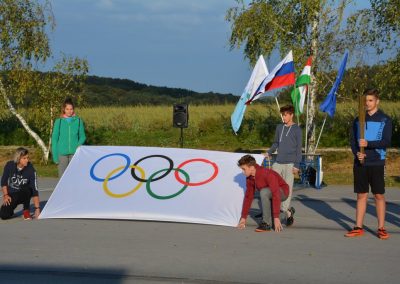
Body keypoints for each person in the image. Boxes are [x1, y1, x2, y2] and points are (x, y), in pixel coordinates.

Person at [346, 88, 392, 239]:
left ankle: (381, 228)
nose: (367, 103)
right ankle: (358, 226)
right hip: (361, 163)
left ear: (377, 101)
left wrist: (368, 144)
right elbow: (353, 141)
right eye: (365, 100)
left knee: (378, 195)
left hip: (377, 162)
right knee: (361, 195)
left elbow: (386, 141)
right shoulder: (358, 119)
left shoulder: (385, 119)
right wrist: (357, 153)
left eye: (370, 100)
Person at [237, 155, 294, 232]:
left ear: (251, 167)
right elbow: (248, 197)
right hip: (269, 193)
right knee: (273, 223)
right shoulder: (249, 178)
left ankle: (266, 223)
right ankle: (288, 213)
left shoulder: (266, 173)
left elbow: (276, 194)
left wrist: (276, 217)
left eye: (244, 169)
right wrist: (243, 218)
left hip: (282, 192)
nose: (243, 172)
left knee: (264, 192)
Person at [265, 105, 302, 225]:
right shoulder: (279, 127)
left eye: (285, 115)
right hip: (278, 162)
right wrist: (269, 152)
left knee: (287, 189)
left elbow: (298, 149)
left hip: (290, 164)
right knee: (272, 186)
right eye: (282, 115)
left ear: (291, 115)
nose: (283, 117)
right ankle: (274, 209)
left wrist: (296, 165)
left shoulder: (297, 129)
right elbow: (275, 143)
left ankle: (286, 210)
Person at [1, 147, 40, 220]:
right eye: (24, 158)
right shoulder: (9, 165)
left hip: (25, 193)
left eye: (27, 158)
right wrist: (6, 195)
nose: (27, 160)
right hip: (12, 194)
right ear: (18, 159)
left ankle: (26, 211)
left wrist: (37, 209)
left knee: (28, 189)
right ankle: (10, 211)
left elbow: (35, 189)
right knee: (4, 215)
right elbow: (3, 181)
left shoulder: (30, 169)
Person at [51, 98, 86, 178]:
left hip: (74, 154)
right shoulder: (58, 121)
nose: (69, 111)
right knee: (62, 179)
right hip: (62, 154)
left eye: (71, 109)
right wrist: (55, 157)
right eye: (67, 109)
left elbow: (83, 136)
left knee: (74, 178)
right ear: (64, 109)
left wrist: (78, 145)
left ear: (73, 110)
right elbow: (54, 140)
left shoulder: (79, 121)